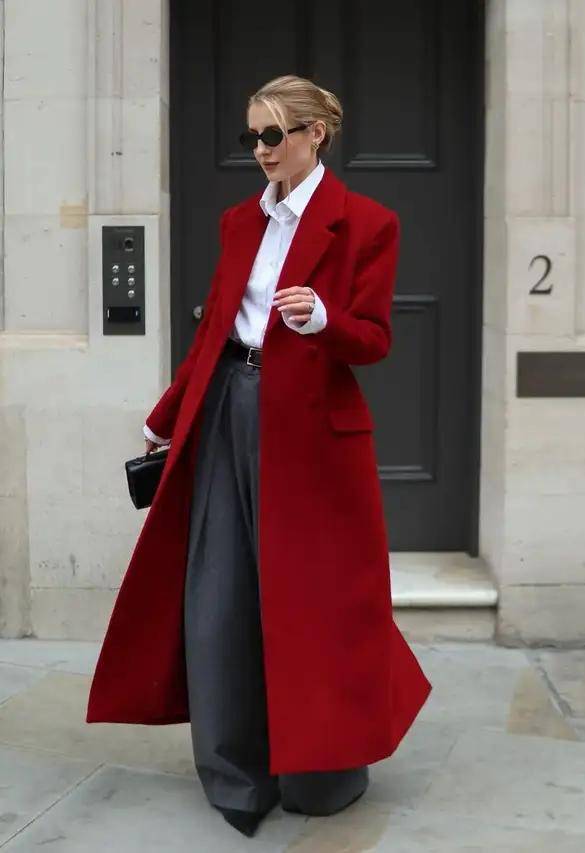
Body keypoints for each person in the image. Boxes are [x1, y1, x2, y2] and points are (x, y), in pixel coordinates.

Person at [87, 73, 432, 840]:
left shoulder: (367, 223)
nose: (261, 150)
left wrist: (323, 319)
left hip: (313, 436)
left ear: (315, 134)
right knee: (219, 592)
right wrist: (166, 416)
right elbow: (215, 331)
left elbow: (374, 339)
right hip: (228, 410)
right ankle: (233, 772)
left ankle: (321, 771)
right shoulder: (240, 221)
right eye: (252, 136)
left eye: (273, 135)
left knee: (317, 604)